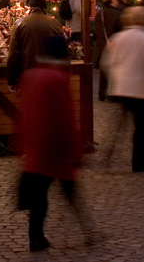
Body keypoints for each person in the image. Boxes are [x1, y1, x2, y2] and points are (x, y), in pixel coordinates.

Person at [16, 35, 93, 253]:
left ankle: (36, 237)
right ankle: (89, 231)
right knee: (69, 191)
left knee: (40, 194)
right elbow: (65, 117)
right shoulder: (57, 79)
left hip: (35, 142)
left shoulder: (30, 75)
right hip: (54, 145)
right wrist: (75, 149)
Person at [102, 6, 144, 173]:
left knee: (120, 124)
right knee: (141, 127)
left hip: (121, 86)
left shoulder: (118, 37)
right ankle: (139, 162)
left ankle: (109, 155)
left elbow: (108, 62)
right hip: (141, 88)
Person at [7, 0, 66, 88]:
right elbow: (61, 55)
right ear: (45, 8)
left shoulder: (19, 24)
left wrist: (12, 81)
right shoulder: (56, 25)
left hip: (28, 76)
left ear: (30, 7)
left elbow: (13, 55)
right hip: (50, 77)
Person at [92, 0, 124, 101]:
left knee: (104, 71)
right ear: (112, 0)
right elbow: (120, 30)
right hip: (115, 45)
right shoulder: (117, 13)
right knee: (115, 70)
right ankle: (114, 94)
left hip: (102, 46)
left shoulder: (100, 13)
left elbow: (98, 31)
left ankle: (101, 93)